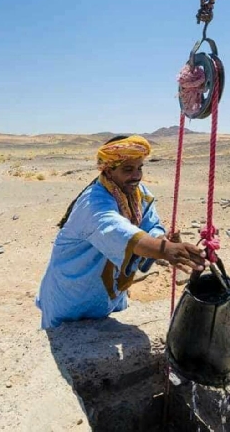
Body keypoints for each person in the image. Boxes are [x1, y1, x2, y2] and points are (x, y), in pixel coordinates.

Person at [36, 135, 208, 329]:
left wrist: (162, 239)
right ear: (109, 171)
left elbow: (150, 224)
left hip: (108, 289)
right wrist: (163, 249)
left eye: (139, 168)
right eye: (128, 169)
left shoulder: (138, 193)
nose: (137, 175)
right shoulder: (93, 202)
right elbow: (115, 229)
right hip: (72, 292)